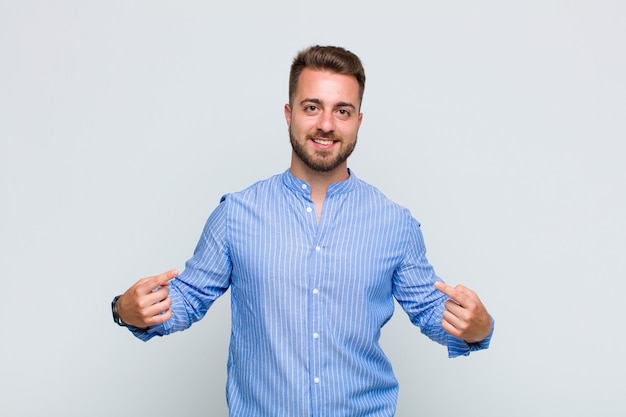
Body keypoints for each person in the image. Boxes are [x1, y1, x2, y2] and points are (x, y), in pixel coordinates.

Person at [111, 45, 494, 417]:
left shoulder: (395, 223)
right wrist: (127, 311)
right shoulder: (237, 214)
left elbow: (433, 311)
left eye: (342, 111)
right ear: (289, 113)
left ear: (358, 121)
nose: (326, 124)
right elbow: (187, 297)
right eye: (312, 107)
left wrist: (478, 328)